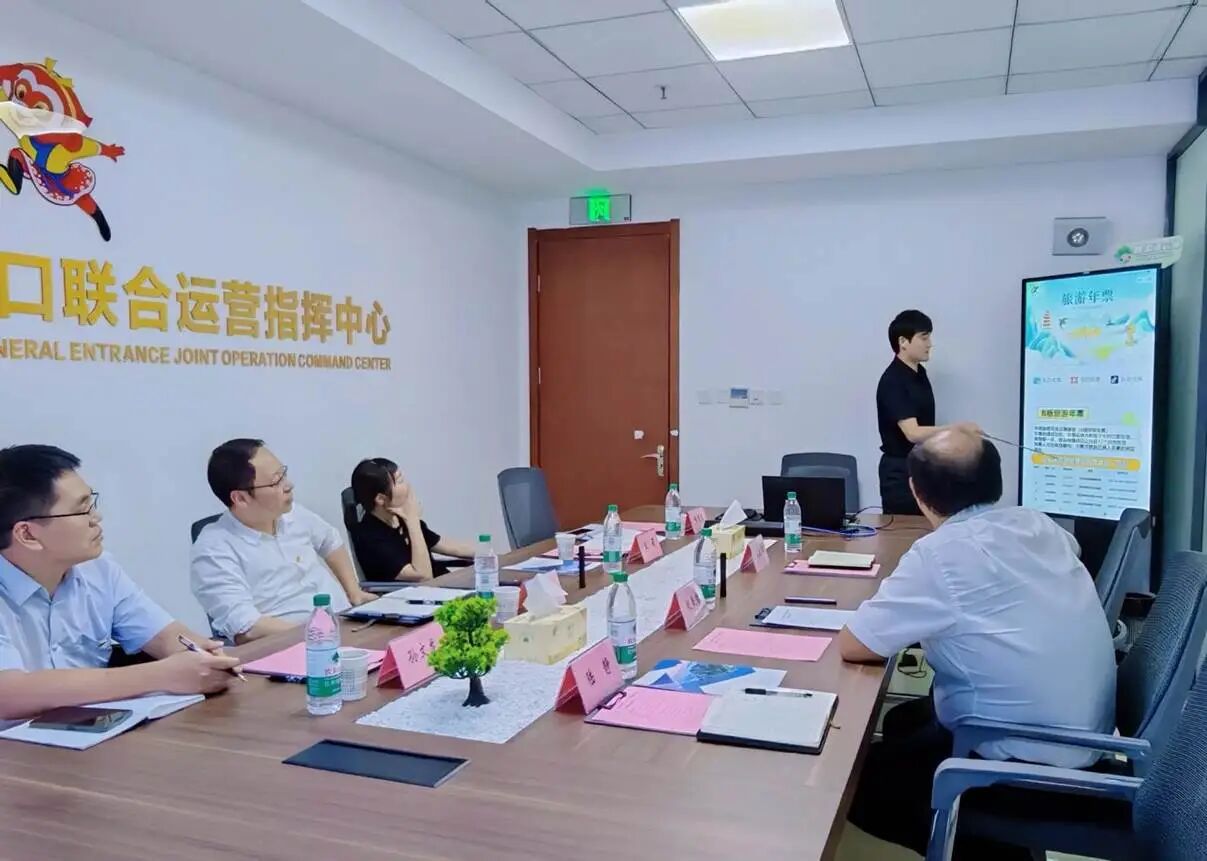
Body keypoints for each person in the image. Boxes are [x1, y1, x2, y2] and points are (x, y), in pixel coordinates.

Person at [840, 428, 1116, 858]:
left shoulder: (939, 555)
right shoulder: (1039, 524)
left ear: (916, 492)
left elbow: (855, 645)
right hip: (1087, 741)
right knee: (903, 722)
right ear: (996, 482)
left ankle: (978, 844)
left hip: (1024, 766)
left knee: (850, 780)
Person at [0, 445, 240, 721]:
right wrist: (160, 675)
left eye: (92, 503)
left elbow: (164, 635)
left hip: (88, 737)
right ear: (28, 534)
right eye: (82, 510)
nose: (96, 518)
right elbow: (8, 694)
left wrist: (207, 658)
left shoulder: (98, 570)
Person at [190, 439, 375, 644]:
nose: (288, 485)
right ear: (240, 498)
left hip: (347, 627)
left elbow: (330, 541)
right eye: (276, 481)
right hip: (293, 646)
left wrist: (354, 592)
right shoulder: (214, 549)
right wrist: (317, 633)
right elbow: (246, 626)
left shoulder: (291, 513)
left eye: (283, 473)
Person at [876, 309, 980, 515]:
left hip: (921, 467)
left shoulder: (919, 373)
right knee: (908, 530)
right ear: (903, 342)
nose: (930, 344)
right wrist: (957, 429)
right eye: (924, 337)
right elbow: (913, 433)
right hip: (900, 475)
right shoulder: (893, 380)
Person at [348, 458, 475, 582]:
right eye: (400, 481)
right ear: (381, 499)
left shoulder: (400, 519)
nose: (408, 486)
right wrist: (413, 520)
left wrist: (485, 553)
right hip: (419, 594)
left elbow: (454, 548)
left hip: (445, 586)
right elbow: (423, 576)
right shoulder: (370, 538)